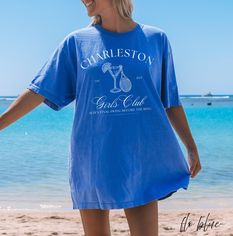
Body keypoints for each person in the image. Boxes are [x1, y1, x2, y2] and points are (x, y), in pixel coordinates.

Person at [0, 0, 201, 235]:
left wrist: (191, 146)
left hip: (142, 158)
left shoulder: (156, 39)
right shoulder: (76, 42)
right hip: (93, 157)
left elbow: (170, 99)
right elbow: (38, 90)